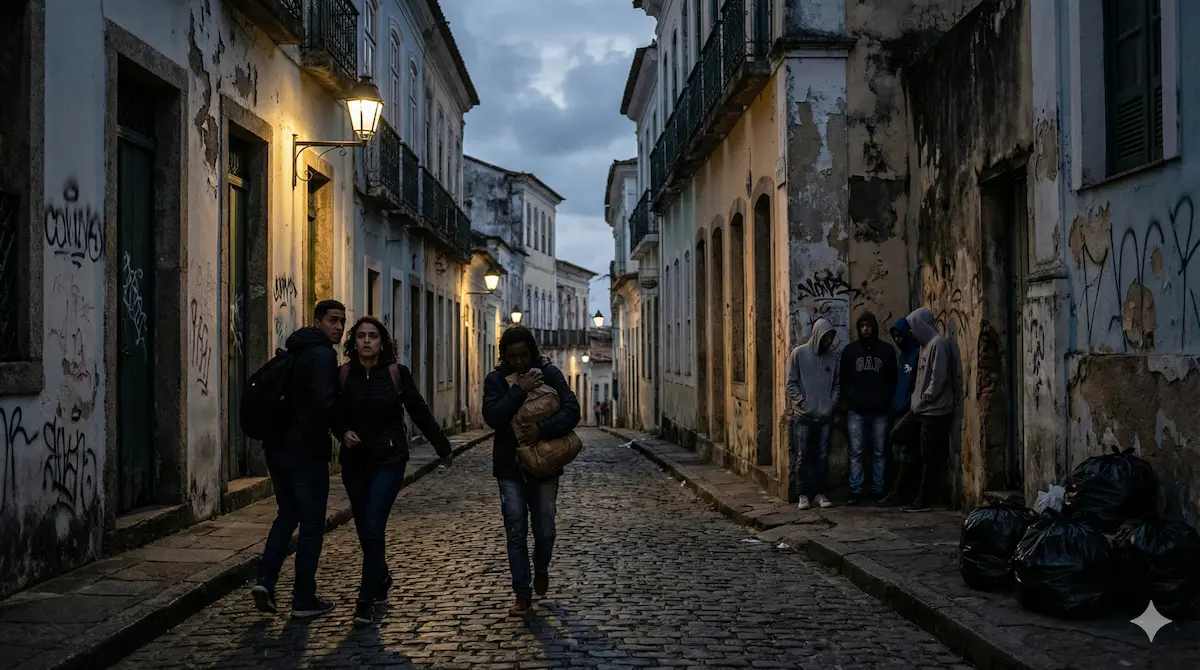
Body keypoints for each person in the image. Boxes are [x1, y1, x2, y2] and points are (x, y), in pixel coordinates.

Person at [334, 316, 453, 627]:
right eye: (361, 336)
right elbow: (332, 412)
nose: (367, 341)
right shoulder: (344, 375)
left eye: (373, 335)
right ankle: (382, 575)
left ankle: (364, 599)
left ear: (382, 341)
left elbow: (417, 408)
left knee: (373, 525)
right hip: (355, 462)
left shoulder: (396, 374)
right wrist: (342, 432)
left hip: (389, 459)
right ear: (354, 341)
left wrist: (442, 446)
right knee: (364, 528)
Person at [252, 299, 345, 618]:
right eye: (332, 320)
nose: (339, 327)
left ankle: (265, 580)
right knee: (311, 524)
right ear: (318, 321)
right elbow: (324, 403)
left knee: (286, 514)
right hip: (305, 452)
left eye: (342, 322)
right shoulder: (322, 356)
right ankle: (303, 597)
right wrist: (342, 430)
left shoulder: (295, 349)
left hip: (277, 449)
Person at [482, 326, 580, 616]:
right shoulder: (496, 381)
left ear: (533, 353)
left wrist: (542, 429)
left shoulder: (550, 375)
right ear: (504, 357)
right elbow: (493, 417)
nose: (520, 362)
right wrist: (518, 390)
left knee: (545, 530)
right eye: (513, 357)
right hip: (510, 468)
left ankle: (541, 564)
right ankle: (522, 593)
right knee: (515, 529)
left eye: (525, 355)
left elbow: (572, 410)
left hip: (545, 465)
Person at [887, 307, 956, 512]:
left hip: (933, 411)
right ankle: (907, 490)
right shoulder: (924, 346)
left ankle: (923, 499)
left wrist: (925, 399)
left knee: (929, 456)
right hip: (918, 409)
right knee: (897, 435)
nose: (910, 333)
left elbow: (938, 378)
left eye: (913, 328)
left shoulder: (938, 344)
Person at [839, 311, 897, 505]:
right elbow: (844, 381)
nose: (865, 328)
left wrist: (885, 400)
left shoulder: (886, 351)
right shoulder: (850, 351)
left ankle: (878, 489)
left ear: (874, 327)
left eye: (868, 325)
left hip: (880, 411)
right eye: (862, 325)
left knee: (880, 451)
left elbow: (892, 380)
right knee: (856, 452)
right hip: (856, 411)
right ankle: (856, 490)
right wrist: (851, 398)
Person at [786, 317, 840, 510]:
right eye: (826, 337)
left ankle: (820, 493)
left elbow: (836, 384)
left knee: (822, 456)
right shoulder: (798, 354)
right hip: (804, 415)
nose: (828, 341)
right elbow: (791, 383)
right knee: (803, 455)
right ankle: (803, 494)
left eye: (831, 338)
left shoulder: (833, 357)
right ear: (818, 335)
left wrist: (831, 404)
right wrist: (802, 402)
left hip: (825, 415)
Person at [879, 315, 922, 507]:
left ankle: (902, 491)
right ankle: (899, 490)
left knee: (905, 450)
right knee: (897, 450)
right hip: (897, 408)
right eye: (894, 337)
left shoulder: (916, 353)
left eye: (900, 336)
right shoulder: (903, 355)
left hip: (910, 409)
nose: (898, 340)